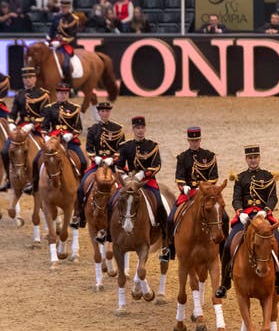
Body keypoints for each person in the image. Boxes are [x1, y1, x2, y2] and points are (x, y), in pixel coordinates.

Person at [215, 145, 279, 299]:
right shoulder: (240, 178)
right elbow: (236, 199)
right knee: (227, 245)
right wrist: (240, 213)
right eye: (250, 158)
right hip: (245, 218)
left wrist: (265, 211)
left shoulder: (268, 177)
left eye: (255, 157)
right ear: (246, 159)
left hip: (264, 218)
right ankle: (224, 284)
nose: (253, 160)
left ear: (259, 158)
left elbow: (273, 198)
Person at [165, 126, 227, 262]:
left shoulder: (209, 156)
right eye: (193, 141)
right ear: (188, 141)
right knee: (170, 218)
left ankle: (224, 248)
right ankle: (169, 248)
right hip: (188, 193)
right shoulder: (182, 157)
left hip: (206, 194)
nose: (195, 143)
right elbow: (179, 177)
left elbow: (214, 177)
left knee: (225, 217)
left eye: (197, 140)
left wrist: (205, 188)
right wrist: (185, 187)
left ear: (200, 139)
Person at [112, 116, 168, 250]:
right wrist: (125, 177)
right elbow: (118, 165)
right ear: (133, 129)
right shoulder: (125, 146)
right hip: (129, 181)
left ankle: (166, 237)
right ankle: (108, 232)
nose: (140, 131)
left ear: (145, 129)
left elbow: (157, 165)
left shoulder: (152, 146)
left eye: (142, 128)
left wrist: (143, 174)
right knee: (112, 201)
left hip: (147, 182)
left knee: (159, 204)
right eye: (137, 128)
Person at [26, 82, 86, 197]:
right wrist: (47, 136)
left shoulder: (74, 109)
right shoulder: (49, 108)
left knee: (82, 161)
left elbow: (78, 128)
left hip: (69, 141)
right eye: (60, 93)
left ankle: (82, 186)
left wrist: (71, 135)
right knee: (36, 160)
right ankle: (34, 185)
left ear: (68, 94)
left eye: (65, 93)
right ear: (57, 94)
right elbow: (44, 127)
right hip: (53, 140)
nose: (62, 95)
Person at [0, 66, 49, 191]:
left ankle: (43, 178)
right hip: (21, 129)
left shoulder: (43, 94)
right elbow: (13, 113)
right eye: (25, 78)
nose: (28, 80)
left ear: (35, 78)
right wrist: (11, 122)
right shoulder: (19, 95)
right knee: (5, 151)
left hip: (37, 129)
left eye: (30, 77)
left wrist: (32, 125)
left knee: (46, 153)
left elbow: (45, 115)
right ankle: (8, 179)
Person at [77, 101, 125, 231]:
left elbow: (121, 149)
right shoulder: (93, 130)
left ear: (109, 112)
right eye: (102, 111)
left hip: (113, 165)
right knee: (81, 186)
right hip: (97, 165)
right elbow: (89, 148)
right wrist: (95, 157)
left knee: (126, 187)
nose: (104, 113)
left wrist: (113, 159)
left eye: (107, 111)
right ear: (98, 113)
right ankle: (80, 216)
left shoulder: (118, 129)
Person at [48, 0, 79, 84]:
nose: (64, 9)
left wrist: (62, 40)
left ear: (69, 7)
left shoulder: (73, 19)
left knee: (65, 65)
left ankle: (70, 85)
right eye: (62, 7)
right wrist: (51, 40)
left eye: (66, 7)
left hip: (66, 46)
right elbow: (51, 31)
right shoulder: (56, 17)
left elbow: (73, 35)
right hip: (54, 44)